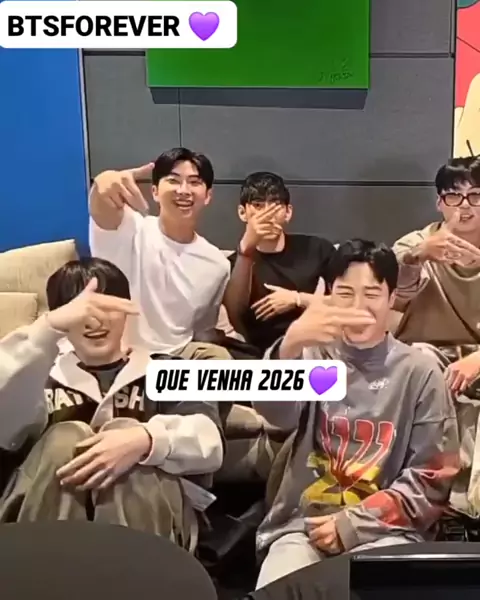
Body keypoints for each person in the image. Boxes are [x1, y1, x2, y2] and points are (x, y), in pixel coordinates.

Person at [252, 240, 459, 588]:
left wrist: (352, 525)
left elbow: (432, 478)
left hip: (387, 533)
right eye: (345, 293)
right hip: (304, 529)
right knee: (277, 590)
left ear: (392, 298)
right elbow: (276, 414)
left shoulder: (418, 372)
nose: (357, 306)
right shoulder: (314, 357)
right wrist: (289, 346)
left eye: (371, 294)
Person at [0, 258, 224, 551]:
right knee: (66, 438)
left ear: (126, 308)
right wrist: (46, 329)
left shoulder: (170, 369)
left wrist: (146, 440)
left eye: (106, 307)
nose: (95, 322)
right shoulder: (37, 376)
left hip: (154, 526)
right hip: (40, 528)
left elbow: (209, 441)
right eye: (82, 310)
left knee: (127, 434)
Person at [392, 156, 480, 519]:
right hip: (429, 352)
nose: (465, 207)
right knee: (422, 364)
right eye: (454, 196)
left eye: (476, 196)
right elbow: (389, 300)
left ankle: (471, 506)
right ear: (439, 202)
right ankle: (436, 504)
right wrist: (416, 257)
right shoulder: (416, 244)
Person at [89, 147, 231, 358]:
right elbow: (102, 210)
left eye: (194, 182)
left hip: (178, 354)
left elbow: (202, 326)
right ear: (155, 191)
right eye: (173, 180)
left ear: (208, 196)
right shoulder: (129, 228)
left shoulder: (217, 265)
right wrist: (103, 185)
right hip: (121, 354)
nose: (183, 190)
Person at [223, 171, 334, 355]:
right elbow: (236, 317)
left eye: (275, 205)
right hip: (257, 355)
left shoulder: (317, 249)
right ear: (242, 213)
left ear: (288, 212)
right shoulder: (232, 264)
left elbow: (348, 303)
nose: (268, 215)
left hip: (311, 348)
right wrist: (246, 251)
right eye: (258, 205)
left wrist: (297, 299)